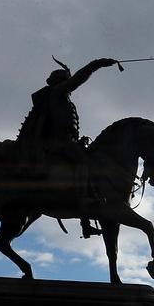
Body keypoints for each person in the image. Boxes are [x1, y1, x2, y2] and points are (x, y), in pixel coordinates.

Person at [15, 56, 118, 238]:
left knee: (88, 159)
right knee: (84, 161)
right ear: (61, 82)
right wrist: (97, 64)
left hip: (68, 141)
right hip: (59, 143)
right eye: (67, 81)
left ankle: (86, 218)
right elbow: (79, 78)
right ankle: (84, 206)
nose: (70, 85)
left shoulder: (61, 98)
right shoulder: (57, 93)